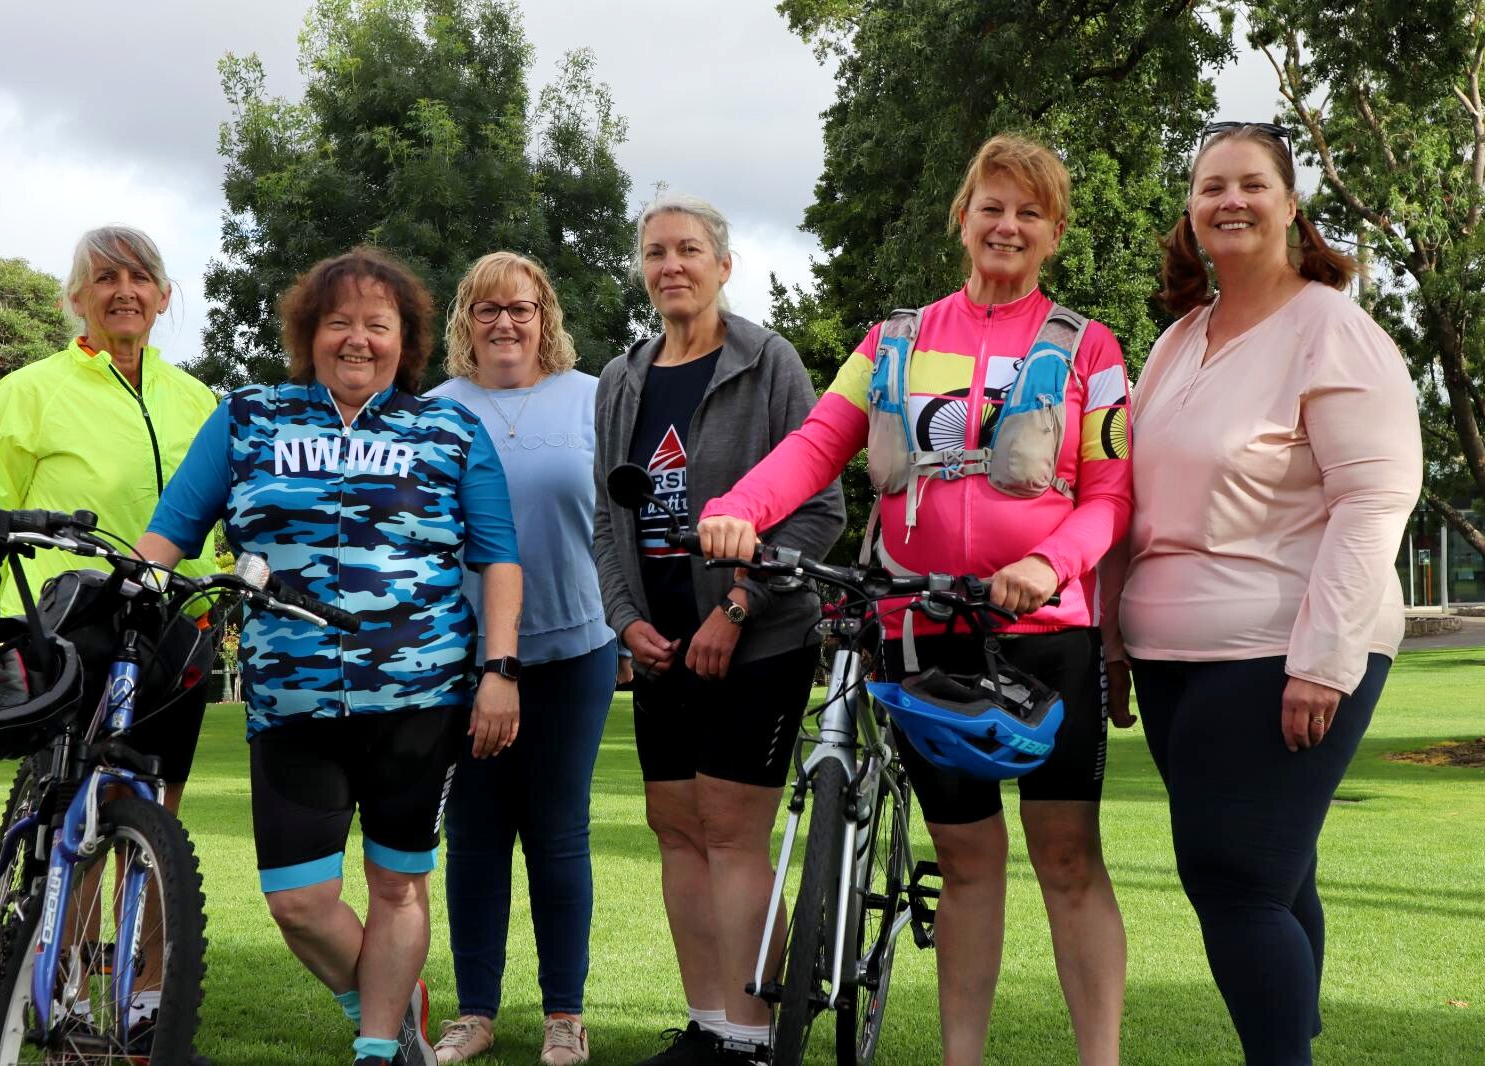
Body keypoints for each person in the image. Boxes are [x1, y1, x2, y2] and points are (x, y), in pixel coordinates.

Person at [699, 134, 1135, 1066]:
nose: (1006, 225)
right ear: (963, 217)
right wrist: (738, 509)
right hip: (916, 626)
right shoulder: (893, 340)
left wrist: (1050, 567)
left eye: (1028, 211)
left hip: (1042, 633)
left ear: (1053, 231)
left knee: (1065, 860)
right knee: (969, 865)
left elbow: (1109, 497)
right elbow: (818, 445)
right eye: (991, 206)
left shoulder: (1089, 346)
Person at [136, 246, 524, 1066]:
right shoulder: (247, 417)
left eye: (377, 325)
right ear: (308, 334)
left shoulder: (449, 428)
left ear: (404, 340)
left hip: (422, 698)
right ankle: (381, 994)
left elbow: (498, 558)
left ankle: (380, 1047)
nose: (357, 340)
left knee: (398, 882)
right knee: (298, 901)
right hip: (290, 697)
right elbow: (170, 531)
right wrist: (135, 599)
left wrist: (499, 671)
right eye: (338, 323)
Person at [1099, 122, 1421, 1065]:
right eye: (1209, 187)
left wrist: (1324, 660)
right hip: (1168, 658)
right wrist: (1115, 644)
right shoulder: (1176, 341)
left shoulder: (1333, 331)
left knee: (1232, 879)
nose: (1228, 200)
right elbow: (1130, 501)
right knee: (1277, 879)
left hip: (1284, 648)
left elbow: (1372, 500)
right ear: (1191, 212)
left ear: (1289, 204)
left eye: (1249, 184)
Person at [592, 193, 846, 1065]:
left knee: (732, 832)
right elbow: (605, 519)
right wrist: (625, 623)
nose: (671, 266)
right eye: (656, 252)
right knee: (676, 829)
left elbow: (820, 509)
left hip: (759, 638)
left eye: (688, 250)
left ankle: (752, 1035)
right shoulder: (623, 377)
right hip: (659, 646)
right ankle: (705, 1026)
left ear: (723, 265)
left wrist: (736, 607)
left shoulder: (767, 362)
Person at [425, 252, 617, 1066]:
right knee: (473, 834)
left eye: (522, 307)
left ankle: (563, 1017)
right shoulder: (433, 412)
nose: (505, 322)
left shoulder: (594, 399)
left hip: (576, 647)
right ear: (465, 321)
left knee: (557, 831)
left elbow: (623, 519)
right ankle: (474, 1014)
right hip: (463, 657)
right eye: (487, 309)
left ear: (546, 317)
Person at [0, 225, 221, 816]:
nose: (124, 291)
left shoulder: (197, 399)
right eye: (106, 277)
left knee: (158, 819)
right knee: (75, 819)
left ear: (164, 296)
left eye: (140, 277)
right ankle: (46, 905)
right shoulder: (28, 392)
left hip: (176, 628)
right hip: (69, 632)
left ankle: (158, 909)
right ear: (77, 299)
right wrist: (12, 629)